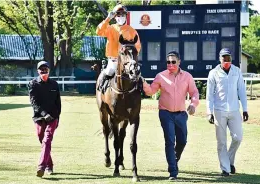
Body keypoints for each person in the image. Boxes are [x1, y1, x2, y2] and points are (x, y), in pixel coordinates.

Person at [142, 51, 199, 180]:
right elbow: (151, 91)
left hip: (181, 114)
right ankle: (173, 171)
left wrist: (193, 104)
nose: (171, 64)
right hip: (165, 113)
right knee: (169, 141)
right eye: (168, 62)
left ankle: (174, 159)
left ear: (179, 62)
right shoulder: (160, 76)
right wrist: (144, 83)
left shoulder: (187, 77)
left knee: (182, 141)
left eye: (173, 62)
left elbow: (194, 92)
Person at [206, 48, 249, 177]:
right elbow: (209, 95)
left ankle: (229, 160)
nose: (226, 60)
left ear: (231, 58)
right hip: (219, 110)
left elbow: (241, 91)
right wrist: (209, 112)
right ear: (220, 59)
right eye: (224, 58)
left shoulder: (236, 71)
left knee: (238, 138)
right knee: (221, 141)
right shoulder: (214, 73)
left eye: (228, 58)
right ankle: (225, 168)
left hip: (235, 110)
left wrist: (245, 109)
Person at [96, 3, 141, 91]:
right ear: (115, 17)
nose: (121, 17)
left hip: (128, 61)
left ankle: (140, 90)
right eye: (118, 15)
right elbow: (99, 31)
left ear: (126, 16)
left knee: (138, 74)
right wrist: (107, 19)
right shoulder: (110, 28)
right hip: (113, 60)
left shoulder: (132, 31)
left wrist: (131, 58)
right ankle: (101, 88)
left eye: (123, 15)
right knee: (108, 71)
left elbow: (137, 46)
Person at [28, 61, 61, 177]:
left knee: (47, 140)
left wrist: (57, 118)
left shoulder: (54, 84)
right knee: (42, 140)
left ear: (49, 70)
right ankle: (49, 165)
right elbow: (34, 103)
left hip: (52, 117)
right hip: (39, 117)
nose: (43, 71)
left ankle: (41, 167)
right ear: (38, 71)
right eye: (41, 69)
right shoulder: (33, 84)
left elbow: (58, 103)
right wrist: (44, 113)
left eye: (45, 69)